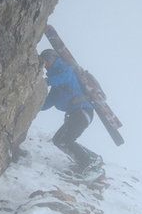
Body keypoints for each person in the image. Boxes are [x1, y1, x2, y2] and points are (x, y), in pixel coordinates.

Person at [40, 48, 103, 177]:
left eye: (47, 60)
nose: (46, 64)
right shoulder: (56, 87)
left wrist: (46, 81)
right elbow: (45, 104)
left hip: (82, 111)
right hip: (78, 114)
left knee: (65, 140)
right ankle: (93, 158)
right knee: (59, 140)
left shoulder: (65, 69)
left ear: (55, 59)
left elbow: (65, 77)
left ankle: (88, 163)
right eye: (44, 62)